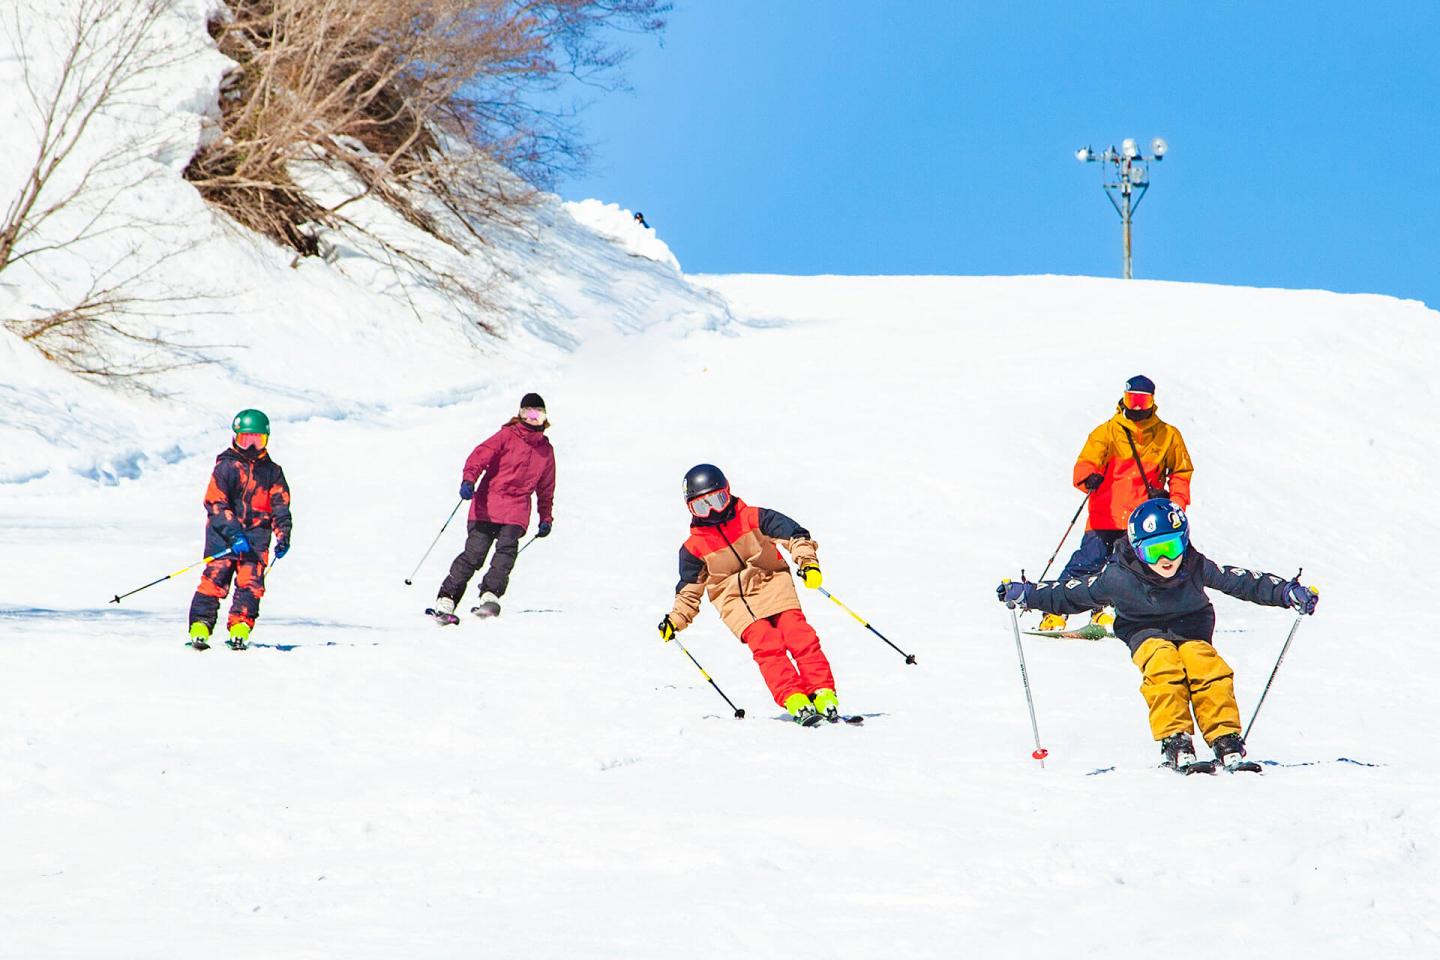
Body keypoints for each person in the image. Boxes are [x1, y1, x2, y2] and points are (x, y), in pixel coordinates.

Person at [997, 498, 1319, 771]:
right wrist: (1026, 593)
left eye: (1172, 546)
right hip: (1144, 629)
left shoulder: (1193, 565)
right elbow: (1071, 594)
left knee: (1206, 666)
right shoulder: (1117, 578)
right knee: (1163, 666)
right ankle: (1175, 738)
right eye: (1154, 551)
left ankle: (1225, 737)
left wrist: (1287, 592)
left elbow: (1242, 581)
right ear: (1138, 550)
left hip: (1191, 626)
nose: (1165, 559)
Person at [657, 464, 840, 726]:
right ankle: (794, 698)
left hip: (772, 584)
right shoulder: (693, 548)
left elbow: (795, 535)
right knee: (766, 645)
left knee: (799, 635)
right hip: (735, 603)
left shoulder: (753, 517)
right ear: (690, 509)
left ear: (727, 493)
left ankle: (823, 691)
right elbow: (689, 590)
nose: (711, 512)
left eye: (717, 501)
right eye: (701, 506)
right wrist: (675, 620)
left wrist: (808, 563)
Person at [1040, 374, 1194, 632]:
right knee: (1086, 564)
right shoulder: (1107, 432)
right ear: (1123, 398)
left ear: (1152, 402)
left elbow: (1181, 472)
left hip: (1143, 522)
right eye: (1131, 399)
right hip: (1105, 515)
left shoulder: (1168, 435)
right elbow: (1084, 463)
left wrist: (1174, 506)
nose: (1135, 407)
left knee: (1131, 572)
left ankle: (1108, 612)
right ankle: (1055, 613)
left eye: (1142, 402)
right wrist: (1089, 477)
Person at [434, 393, 555, 620]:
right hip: (487, 505)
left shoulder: (546, 451)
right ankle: (447, 599)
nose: (532, 418)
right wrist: (469, 480)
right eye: (527, 413)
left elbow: (546, 488)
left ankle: (490, 596)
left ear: (544, 417)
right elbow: (479, 456)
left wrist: (545, 517)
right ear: (519, 415)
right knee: (474, 555)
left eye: (537, 414)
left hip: (516, 510)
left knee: (506, 554)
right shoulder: (506, 436)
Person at [187, 409, 292, 650]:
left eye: (257, 440)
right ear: (235, 437)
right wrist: (233, 532)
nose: (252, 446)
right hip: (223, 537)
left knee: (251, 584)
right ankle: (200, 626)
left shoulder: (272, 472)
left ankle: (240, 627)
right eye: (246, 439)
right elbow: (214, 502)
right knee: (215, 581)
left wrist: (283, 534)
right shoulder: (226, 467)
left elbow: (280, 506)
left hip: (256, 539)